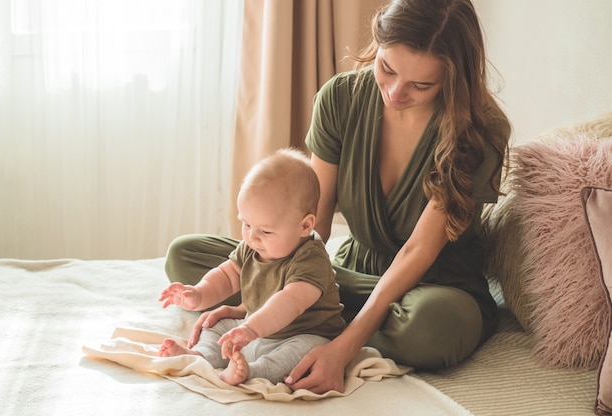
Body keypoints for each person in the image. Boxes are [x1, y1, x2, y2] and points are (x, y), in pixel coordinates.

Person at [164, 0, 511, 393]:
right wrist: (257, 298)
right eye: (387, 69)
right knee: (185, 256)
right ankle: (304, 314)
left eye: (421, 85)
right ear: (376, 46)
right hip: (345, 275)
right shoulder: (340, 98)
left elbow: (418, 252)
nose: (396, 93)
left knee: (432, 329)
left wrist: (342, 349)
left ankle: (319, 322)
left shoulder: (479, 131)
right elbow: (313, 222)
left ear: (454, 77)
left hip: (434, 285)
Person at [158, 148, 346, 386]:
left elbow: (290, 302)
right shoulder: (253, 246)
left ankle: (252, 372)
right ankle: (202, 355)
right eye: (246, 224)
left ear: (305, 225)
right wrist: (198, 294)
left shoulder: (311, 260)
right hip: (256, 328)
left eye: (265, 231)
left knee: (308, 350)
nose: (252, 237)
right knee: (215, 324)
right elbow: (227, 275)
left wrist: (251, 328)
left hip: (300, 334)